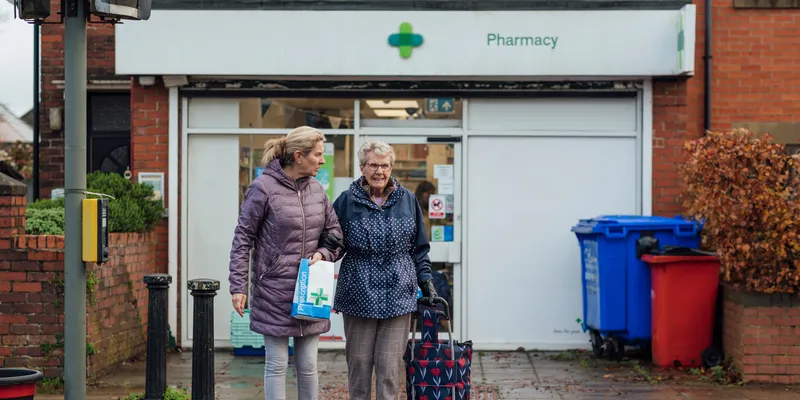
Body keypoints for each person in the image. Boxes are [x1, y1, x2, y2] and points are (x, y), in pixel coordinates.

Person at [228, 126, 343, 400]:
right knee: (277, 365)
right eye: (318, 155)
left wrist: (323, 254)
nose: (323, 160)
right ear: (299, 156)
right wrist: (238, 286)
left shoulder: (317, 190)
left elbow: (335, 233)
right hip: (273, 291)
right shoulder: (263, 188)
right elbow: (243, 238)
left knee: (308, 366)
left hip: (310, 291)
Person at [330, 140, 438, 400]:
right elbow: (333, 243)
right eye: (373, 165)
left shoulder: (407, 200)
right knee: (359, 369)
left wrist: (426, 282)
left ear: (392, 168)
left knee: (389, 371)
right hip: (358, 293)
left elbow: (419, 248)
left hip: (398, 293)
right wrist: (322, 254)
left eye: (385, 166)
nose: (379, 171)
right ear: (362, 167)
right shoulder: (346, 201)